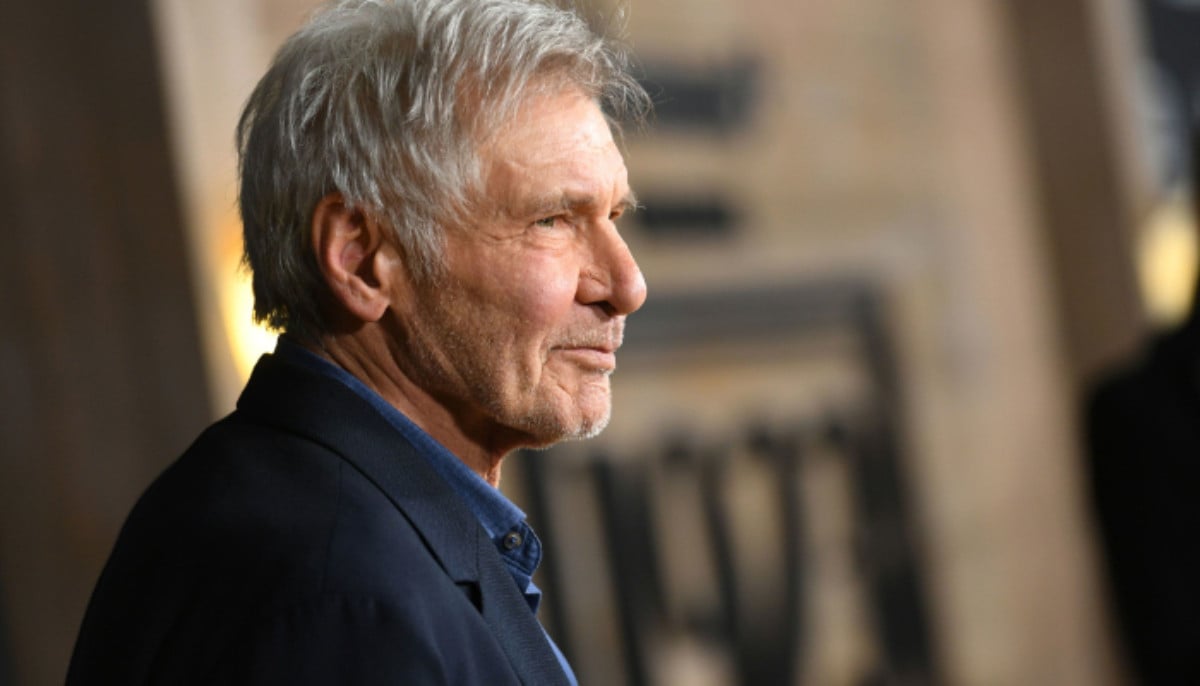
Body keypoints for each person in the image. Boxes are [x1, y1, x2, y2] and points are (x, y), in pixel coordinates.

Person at [66, 0, 649, 683]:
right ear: (361, 258)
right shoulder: (340, 601)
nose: (627, 284)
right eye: (552, 220)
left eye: (614, 214)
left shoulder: (309, 526)